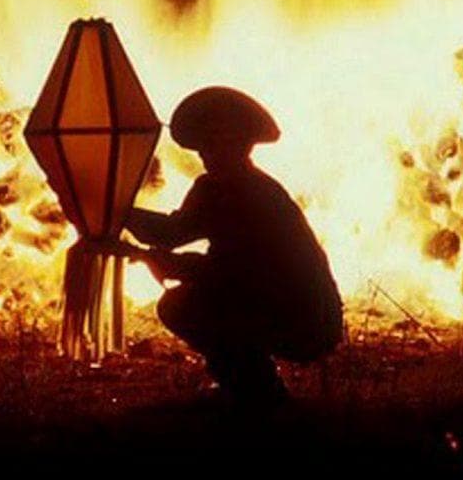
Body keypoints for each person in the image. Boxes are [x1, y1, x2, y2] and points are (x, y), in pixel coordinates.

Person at [125, 86, 343, 406]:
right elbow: (174, 233)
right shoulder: (227, 187)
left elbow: (227, 272)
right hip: (300, 310)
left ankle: (256, 391)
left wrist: (130, 226)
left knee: (185, 306)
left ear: (240, 145)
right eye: (204, 146)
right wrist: (124, 220)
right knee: (194, 303)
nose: (206, 154)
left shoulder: (244, 193)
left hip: (302, 316)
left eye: (214, 143)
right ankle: (250, 388)